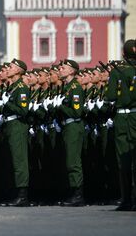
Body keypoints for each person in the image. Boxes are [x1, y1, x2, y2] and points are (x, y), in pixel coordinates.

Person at [105, 39, 136, 211]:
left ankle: (126, 200)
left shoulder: (118, 72)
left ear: (123, 54)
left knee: (124, 160)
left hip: (123, 119)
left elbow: (110, 96)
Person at [0, 59, 31, 206]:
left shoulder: (21, 88)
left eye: (11, 67)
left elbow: (23, 110)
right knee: (11, 160)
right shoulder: (11, 88)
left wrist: (9, 104)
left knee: (19, 161)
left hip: (18, 125)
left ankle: (22, 196)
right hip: (10, 125)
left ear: (19, 71)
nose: (8, 69)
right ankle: (14, 193)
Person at [57, 59, 86, 206]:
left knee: (73, 161)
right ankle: (73, 193)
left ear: (72, 71)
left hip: (74, 126)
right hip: (67, 127)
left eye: (63, 67)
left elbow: (76, 112)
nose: (60, 69)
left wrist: (61, 108)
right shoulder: (67, 87)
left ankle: (78, 195)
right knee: (69, 161)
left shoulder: (75, 88)